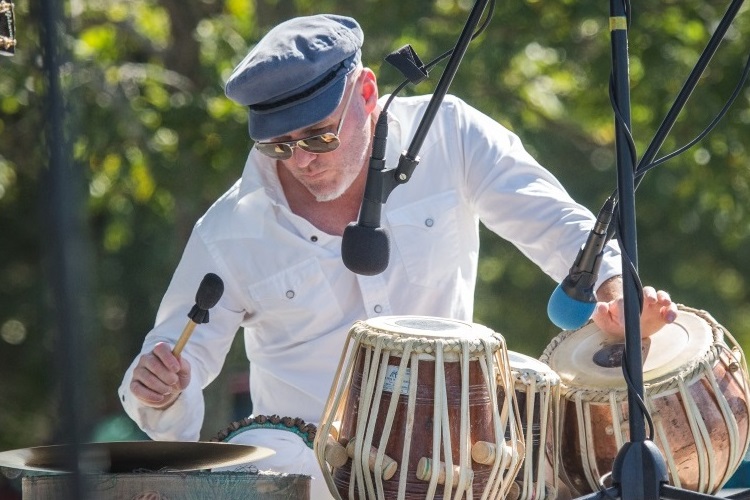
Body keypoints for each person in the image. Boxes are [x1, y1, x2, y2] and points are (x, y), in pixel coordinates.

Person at [118, 13, 677, 499]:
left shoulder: (451, 132)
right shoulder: (230, 229)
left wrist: (612, 289)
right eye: (278, 146)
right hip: (308, 470)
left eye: (317, 137)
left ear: (366, 92)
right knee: (261, 463)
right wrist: (161, 391)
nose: (302, 161)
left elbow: (558, 223)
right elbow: (171, 374)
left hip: (457, 454)